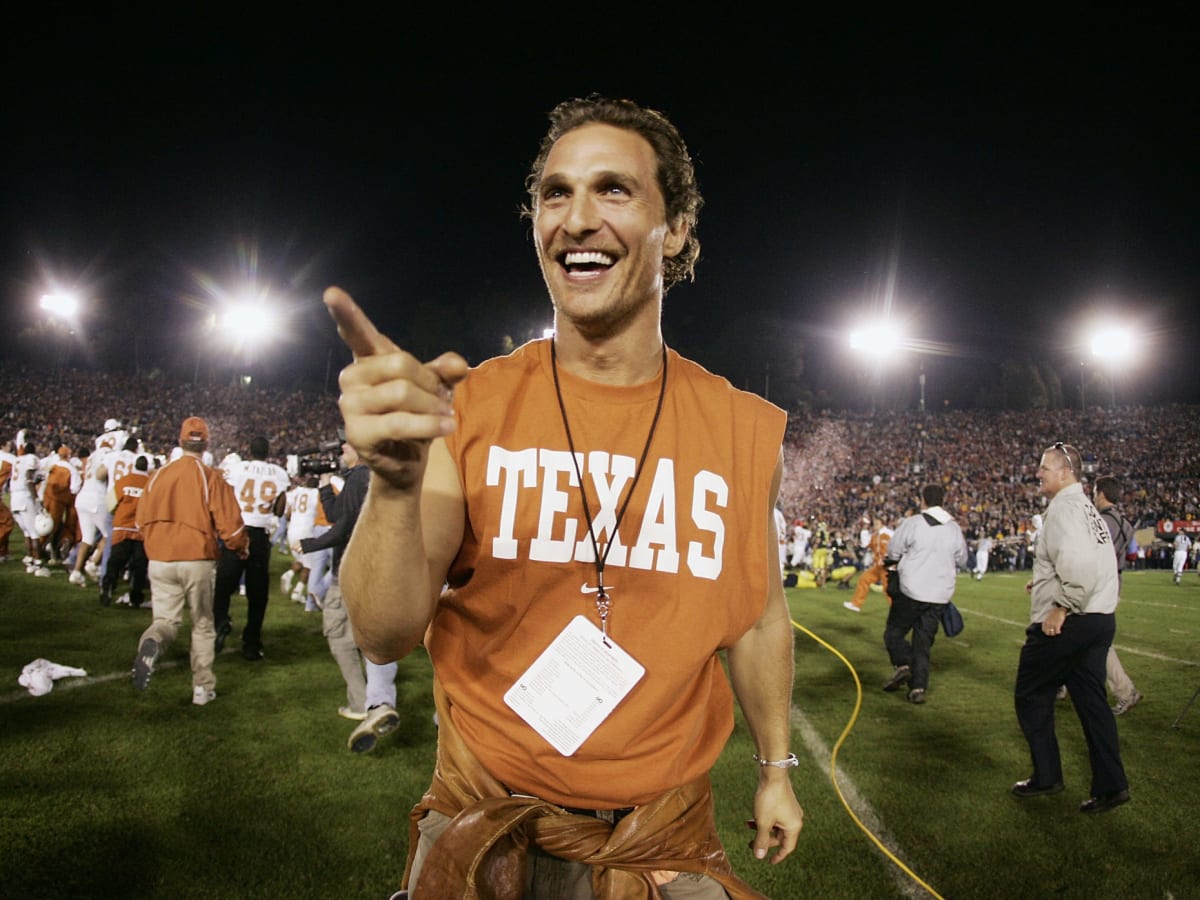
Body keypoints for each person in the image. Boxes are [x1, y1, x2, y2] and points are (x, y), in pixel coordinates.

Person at [328, 96, 802, 897]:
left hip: (663, 833)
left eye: (613, 189)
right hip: (487, 821)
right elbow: (380, 635)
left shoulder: (741, 427)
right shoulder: (469, 407)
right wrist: (396, 486)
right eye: (555, 193)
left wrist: (776, 768)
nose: (576, 218)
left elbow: (757, 616)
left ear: (677, 227)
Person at [1011, 442, 1130, 813]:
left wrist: (1060, 606)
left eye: (1045, 467)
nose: (1039, 473)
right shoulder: (1088, 510)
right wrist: (1046, 584)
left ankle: (1047, 775)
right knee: (1093, 703)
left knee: (1030, 692)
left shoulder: (1063, 509)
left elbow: (1079, 567)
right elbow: (1092, 560)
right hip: (1099, 619)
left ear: (1065, 472)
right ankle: (1112, 786)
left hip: (1074, 619)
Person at [131, 417, 248, 706]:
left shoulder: (158, 475)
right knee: (202, 624)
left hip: (159, 557)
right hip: (197, 556)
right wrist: (241, 547)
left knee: (165, 621)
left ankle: (154, 641)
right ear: (206, 443)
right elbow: (230, 526)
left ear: (180, 441)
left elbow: (140, 520)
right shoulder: (209, 476)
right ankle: (202, 687)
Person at [299, 435, 400, 748]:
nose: (340, 450)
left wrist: (309, 544)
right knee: (376, 637)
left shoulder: (360, 476)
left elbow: (344, 528)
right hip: (381, 569)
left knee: (338, 634)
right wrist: (326, 482)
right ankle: (376, 701)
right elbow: (337, 516)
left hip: (353, 570)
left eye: (345, 445)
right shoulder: (377, 475)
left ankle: (363, 702)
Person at [881, 484, 968, 704]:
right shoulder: (953, 529)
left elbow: (893, 551)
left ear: (923, 501)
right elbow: (963, 560)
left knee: (893, 633)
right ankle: (918, 688)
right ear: (943, 501)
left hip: (912, 590)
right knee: (923, 643)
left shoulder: (913, 523)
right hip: (939, 594)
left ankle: (904, 663)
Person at [213, 436, 291, 660]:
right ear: (269, 452)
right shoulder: (278, 473)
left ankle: (220, 621)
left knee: (223, 583)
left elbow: (226, 494)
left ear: (249, 450)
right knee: (258, 594)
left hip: (237, 530)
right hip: (259, 536)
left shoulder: (239, 468)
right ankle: (251, 643)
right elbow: (279, 508)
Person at [101, 453, 151, 608]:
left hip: (122, 526)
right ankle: (136, 596)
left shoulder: (124, 480)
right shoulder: (150, 484)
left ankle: (107, 587)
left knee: (116, 561)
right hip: (141, 529)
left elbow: (110, 503)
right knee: (139, 566)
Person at [844, 516, 893, 612]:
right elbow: (865, 545)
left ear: (882, 523)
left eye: (876, 524)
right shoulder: (874, 536)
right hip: (878, 566)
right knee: (864, 579)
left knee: (888, 590)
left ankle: (897, 610)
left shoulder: (890, 534)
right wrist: (862, 531)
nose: (874, 526)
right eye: (874, 524)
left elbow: (897, 547)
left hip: (887, 567)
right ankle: (856, 604)